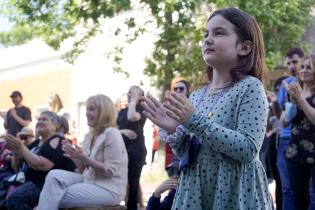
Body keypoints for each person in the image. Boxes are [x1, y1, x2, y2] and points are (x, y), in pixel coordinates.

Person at [141, 8, 271, 209]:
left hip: (233, 192)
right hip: (196, 190)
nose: (208, 39)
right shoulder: (197, 94)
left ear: (244, 47)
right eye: (206, 34)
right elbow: (189, 152)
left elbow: (247, 149)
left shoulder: (250, 87)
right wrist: (173, 130)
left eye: (219, 33)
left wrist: (194, 120)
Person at [37, 94, 128, 210]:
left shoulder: (112, 134)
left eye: (91, 109)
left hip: (109, 189)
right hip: (89, 180)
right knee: (54, 175)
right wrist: (74, 155)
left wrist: (84, 158)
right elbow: (83, 170)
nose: (86, 113)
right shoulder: (89, 136)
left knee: (53, 195)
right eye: (87, 109)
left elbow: (110, 171)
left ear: (104, 111)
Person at [4, 111, 76, 210]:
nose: (40, 121)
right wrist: (16, 151)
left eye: (44, 119)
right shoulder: (36, 143)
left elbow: (43, 165)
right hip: (32, 182)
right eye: (39, 119)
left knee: (15, 199)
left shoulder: (58, 140)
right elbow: (16, 167)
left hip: (46, 185)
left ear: (54, 126)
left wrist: (21, 147)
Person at [282, 54, 315, 210]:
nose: (303, 70)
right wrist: (292, 103)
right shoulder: (295, 91)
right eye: (302, 67)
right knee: (299, 198)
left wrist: (300, 99)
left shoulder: (302, 94)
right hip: (295, 152)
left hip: (314, 152)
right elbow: (284, 122)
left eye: (309, 67)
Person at [274, 47, 305, 210]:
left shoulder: (308, 81)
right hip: (286, 139)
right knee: (287, 188)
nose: (292, 66)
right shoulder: (286, 85)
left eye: (295, 61)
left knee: (308, 190)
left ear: (303, 60)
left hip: (307, 140)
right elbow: (282, 117)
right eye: (289, 63)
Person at [117, 86, 147, 210]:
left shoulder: (142, 110)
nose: (130, 94)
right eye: (129, 91)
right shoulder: (121, 112)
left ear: (140, 96)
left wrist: (134, 101)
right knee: (122, 181)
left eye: (134, 92)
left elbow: (131, 117)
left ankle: (132, 207)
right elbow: (112, 129)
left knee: (133, 182)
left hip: (136, 151)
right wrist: (122, 131)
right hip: (122, 150)